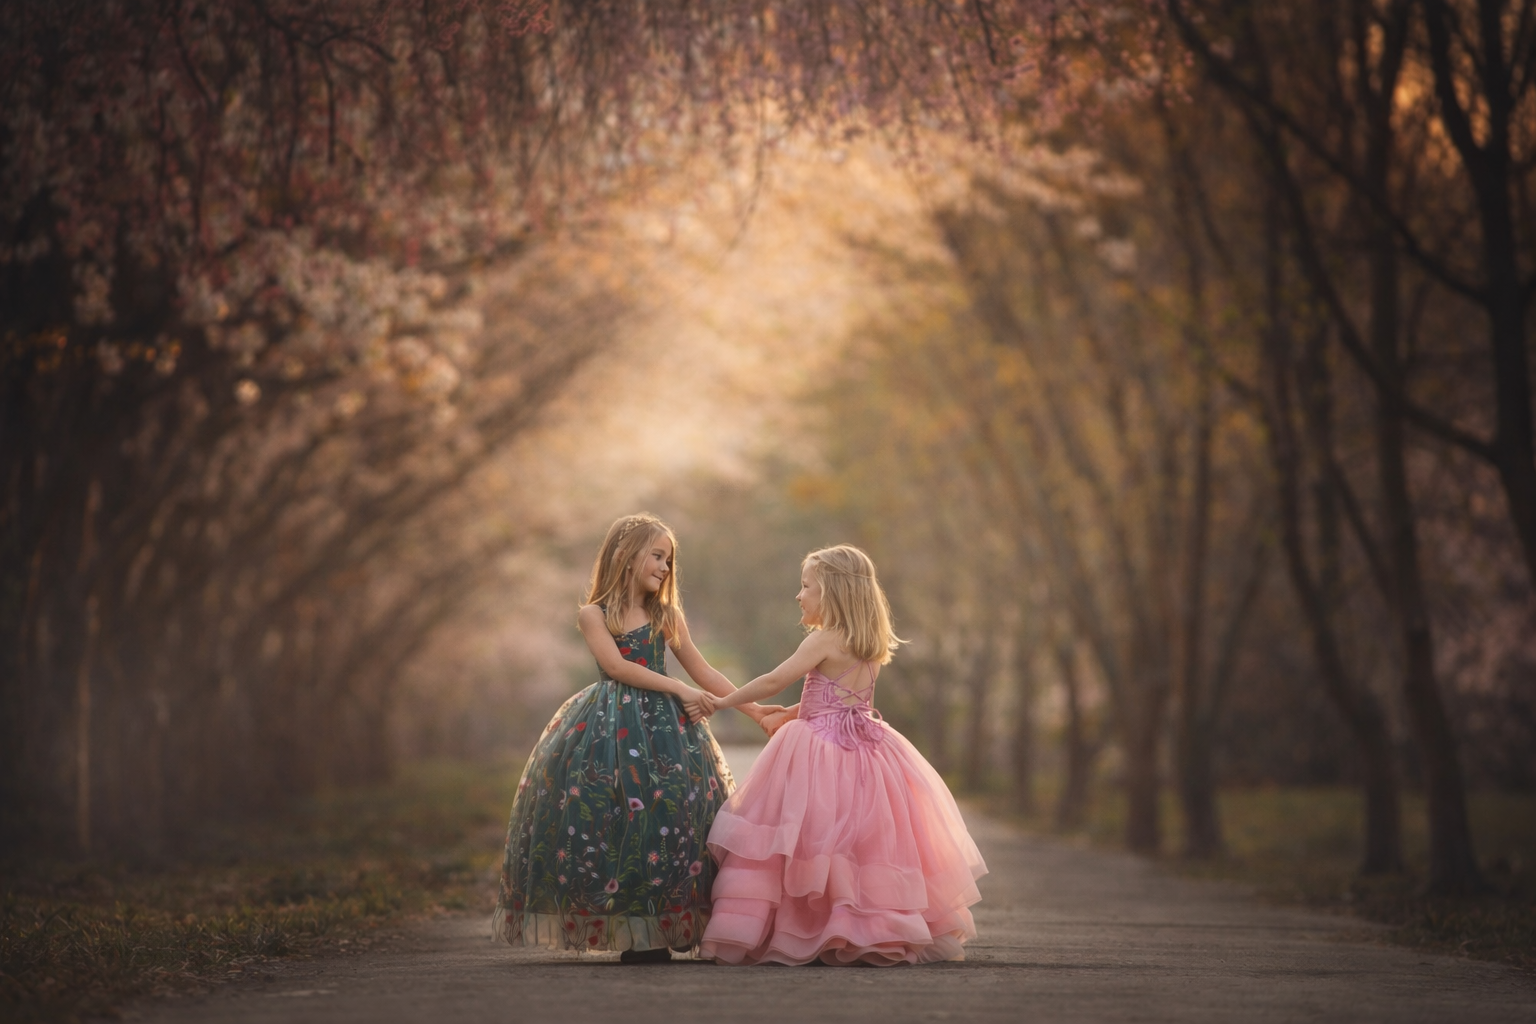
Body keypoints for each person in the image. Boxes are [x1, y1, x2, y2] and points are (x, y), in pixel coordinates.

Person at [493, 513, 771, 962]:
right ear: (625, 555)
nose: (665, 567)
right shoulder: (594, 614)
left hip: (665, 732)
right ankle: (632, 929)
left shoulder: (666, 613)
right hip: (608, 728)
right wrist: (679, 689)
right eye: (657, 555)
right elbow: (619, 667)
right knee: (615, 819)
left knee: (675, 812)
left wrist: (754, 710)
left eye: (669, 559)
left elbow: (703, 671)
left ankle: (669, 920)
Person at [699, 544, 987, 966]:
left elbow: (776, 678)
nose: (799, 596)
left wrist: (722, 703)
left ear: (831, 592)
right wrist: (793, 711)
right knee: (864, 845)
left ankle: (810, 926)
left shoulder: (824, 638)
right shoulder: (867, 641)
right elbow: (846, 697)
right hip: (869, 748)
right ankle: (866, 927)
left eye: (805, 587)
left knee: (810, 839)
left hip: (820, 749)